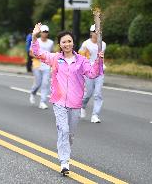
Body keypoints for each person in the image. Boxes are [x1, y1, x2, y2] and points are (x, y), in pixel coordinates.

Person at [31, 23, 104, 175]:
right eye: (64, 42)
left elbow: (92, 74)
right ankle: (64, 163)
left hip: (76, 103)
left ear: (73, 43)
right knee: (63, 130)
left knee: (70, 134)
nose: (67, 44)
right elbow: (37, 52)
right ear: (60, 44)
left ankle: (65, 153)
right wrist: (34, 36)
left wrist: (99, 60)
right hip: (59, 101)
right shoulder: (55, 58)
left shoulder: (81, 61)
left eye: (69, 41)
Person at [79, 24, 107, 123]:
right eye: (95, 31)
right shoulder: (85, 44)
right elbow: (81, 57)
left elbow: (100, 57)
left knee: (98, 94)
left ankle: (95, 115)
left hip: (99, 71)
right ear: (91, 33)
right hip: (89, 71)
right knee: (88, 93)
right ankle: (82, 106)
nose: (97, 33)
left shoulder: (103, 44)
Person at [29, 25, 54, 109]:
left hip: (46, 66)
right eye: (43, 32)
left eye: (46, 32)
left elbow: (51, 53)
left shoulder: (50, 42)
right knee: (38, 83)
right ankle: (32, 92)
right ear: (40, 33)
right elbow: (30, 53)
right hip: (37, 65)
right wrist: (39, 57)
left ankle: (42, 102)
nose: (45, 33)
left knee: (45, 83)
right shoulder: (36, 41)